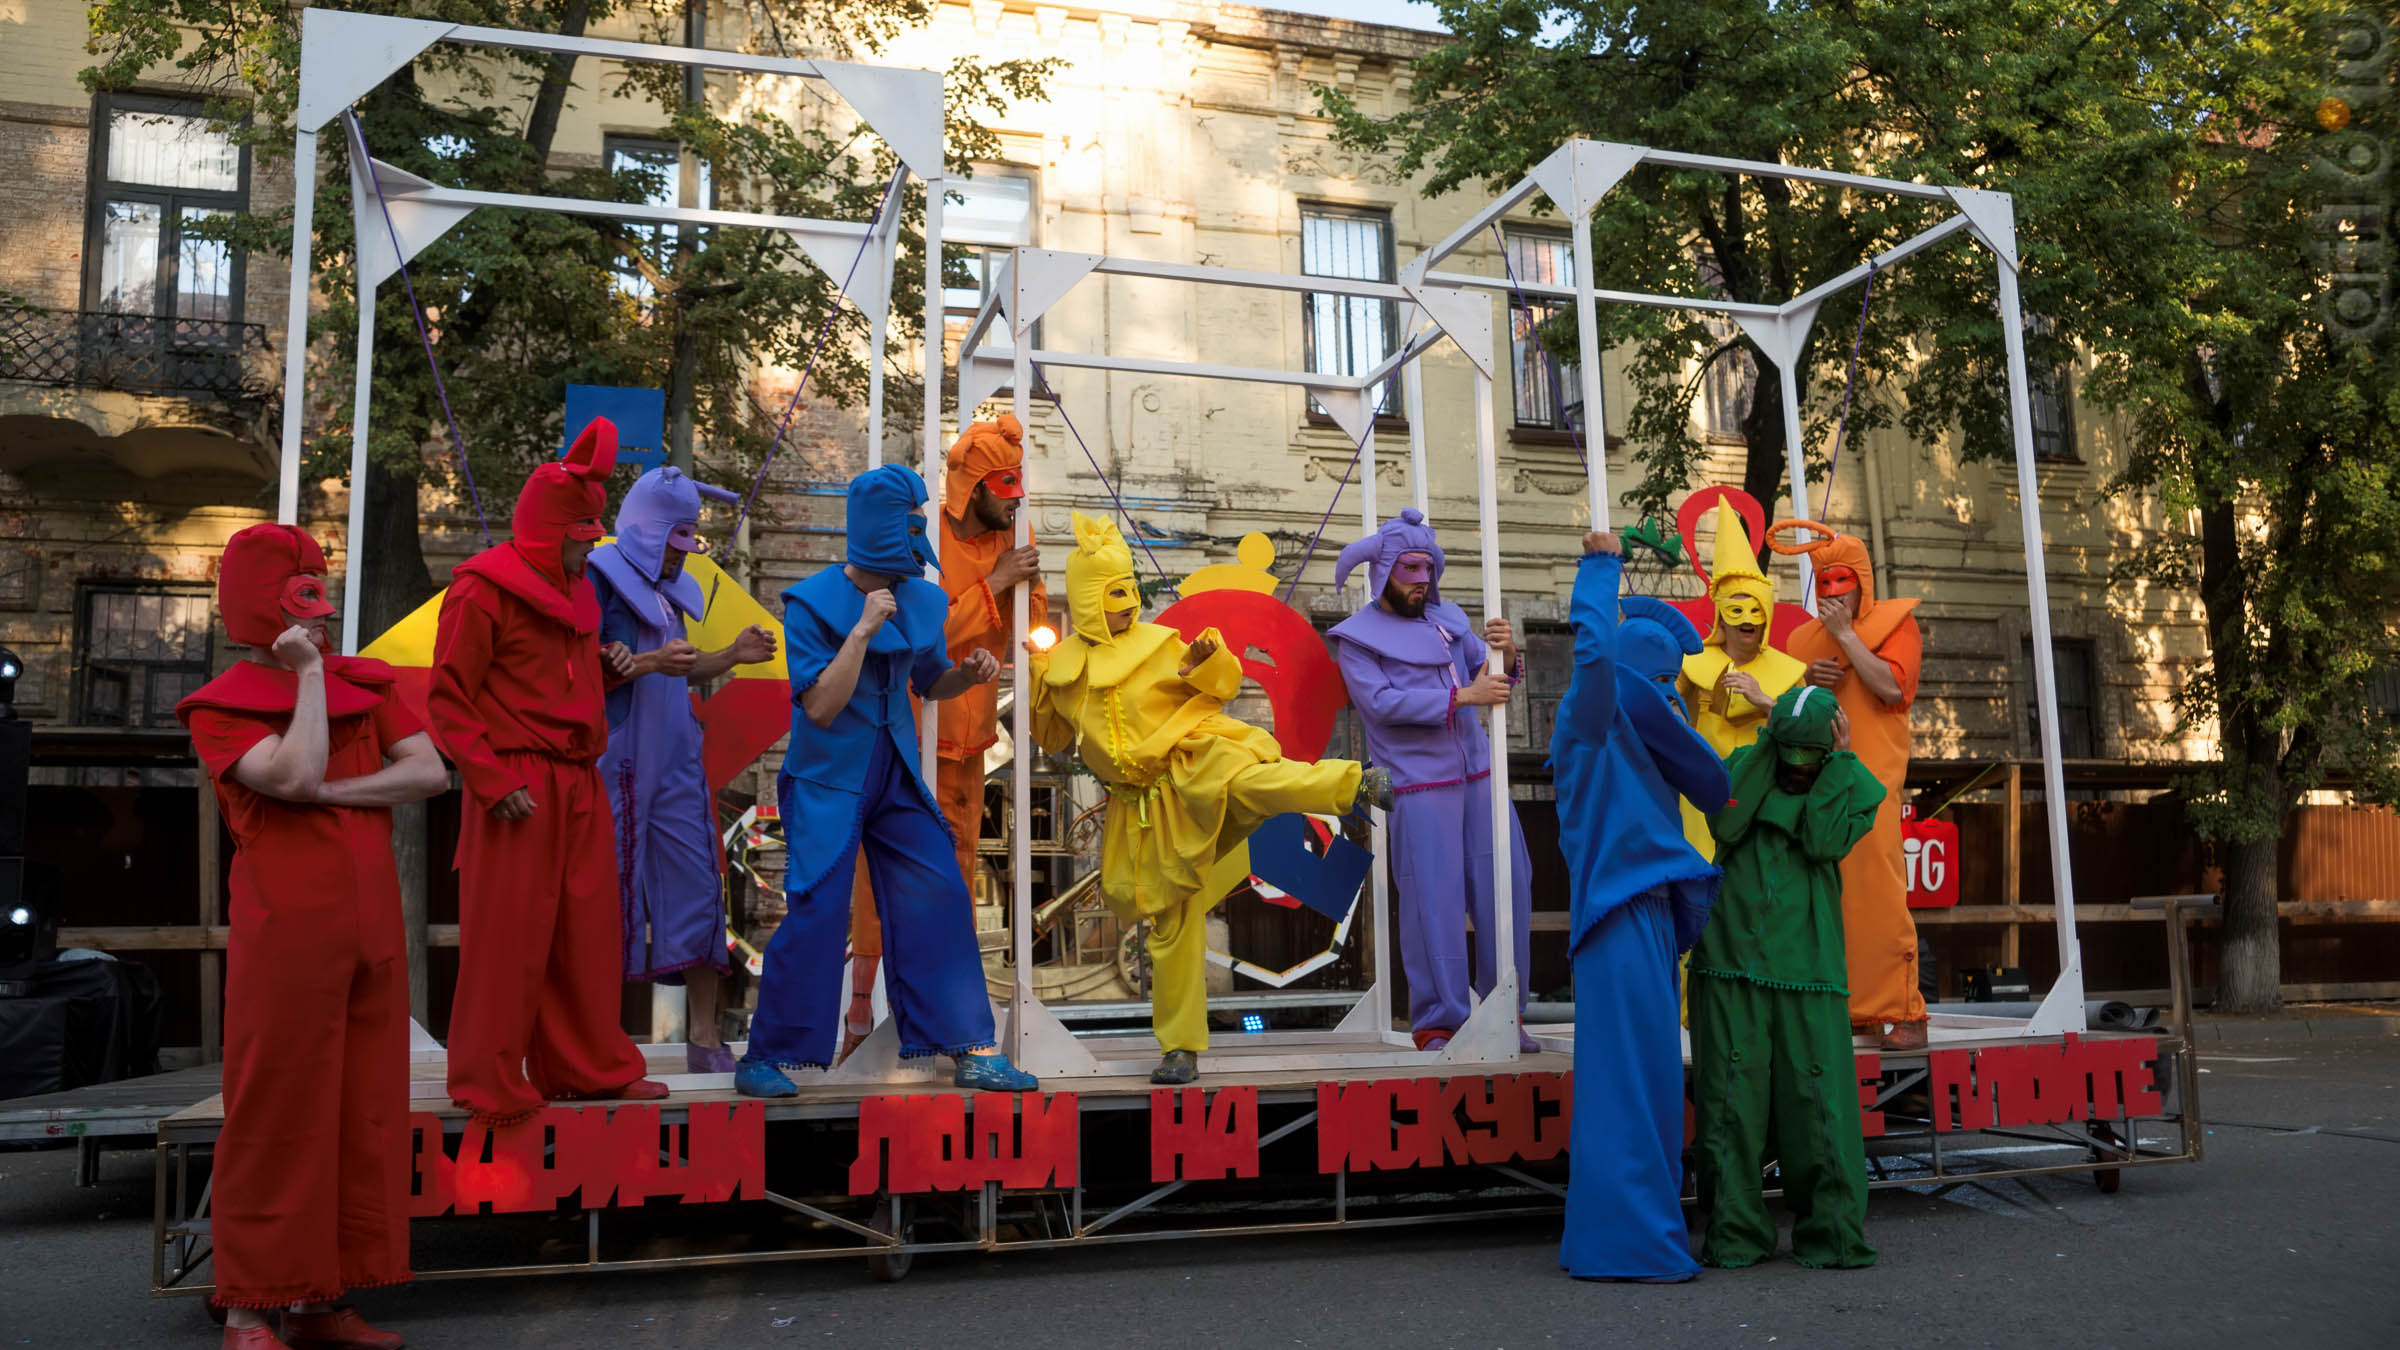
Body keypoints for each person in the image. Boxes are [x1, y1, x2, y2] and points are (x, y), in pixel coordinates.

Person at [177, 524, 449, 1349]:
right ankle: (253, 1305)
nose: (324, 622)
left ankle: (322, 1298)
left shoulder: (365, 683)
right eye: (306, 607)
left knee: (360, 1114)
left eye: (323, 605)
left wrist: (329, 788)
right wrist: (305, 679)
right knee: (276, 1113)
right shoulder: (221, 706)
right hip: (288, 936)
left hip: (371, 932)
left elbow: (430, 772)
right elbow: (289, 776)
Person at [1029, 512, 1390, 1084]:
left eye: (1129, 590)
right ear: (1090, 601)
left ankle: (1354, 783)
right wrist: (1038, 680)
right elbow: (1049, 738)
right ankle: (1180, 1048)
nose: (1129, 603)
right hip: (1140, 810)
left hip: (1191, 758)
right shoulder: (1065, 668)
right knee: (1169, 924)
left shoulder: (1161, 643)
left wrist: (1205, 662)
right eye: (1115, 594)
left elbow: (1221, 687)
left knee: (1253, 782)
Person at [737, 465, 1038, 1097]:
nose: (919, 545)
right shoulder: (811, 603)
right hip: (827, 779)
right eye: (909, 531)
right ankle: (767, 1055)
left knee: (941, 894)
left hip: (894, 771)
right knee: (817, 909)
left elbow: (930, 681)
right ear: (880, 533)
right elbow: (819, 707)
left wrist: (971, 673)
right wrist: (863, 630)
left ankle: (970, 1046)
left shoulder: (922, 599)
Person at [429, 419, 666, 1125]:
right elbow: (447, 696)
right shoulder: (480, 591)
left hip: (577, 778)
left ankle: (589, 1069)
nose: (592, 546)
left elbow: (554, 682)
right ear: (547, 531)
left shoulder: (578, 591)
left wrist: (609, 670)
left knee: (587, 932)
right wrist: (491, 780)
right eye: (582, 534)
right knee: (507, 937)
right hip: (517, 781)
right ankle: (487, 1080)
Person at [1552, 530, 1730, 1283]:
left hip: (1647, 914)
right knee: (1626, 1081)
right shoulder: (1589, 723)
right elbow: (1594, 659)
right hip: (1615, 916)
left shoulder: (1642, 738)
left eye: (1673, 687)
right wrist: (1599, 568)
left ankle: (1637, 1234)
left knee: (1653, 1079)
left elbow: (1716, 784)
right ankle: (1626, 1243)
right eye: (1656, 683)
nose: (1667, 698)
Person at [843, 415, 1047, 1058]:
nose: (1015, 500)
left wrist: (1022, 587)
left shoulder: (1015, 531)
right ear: (972, 487)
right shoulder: (922, 537)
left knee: (955, 877)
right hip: (908, 727)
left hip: (971, 735)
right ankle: (860, 1019)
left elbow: (1028, 628)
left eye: (1019, 489)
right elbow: (918, 635)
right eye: (1005, 487)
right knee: (881, 875)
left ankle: (946, 1024)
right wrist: (998, 584)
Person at [589, 466, 775, 1075]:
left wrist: (731, 656)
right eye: (677, 538)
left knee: (698, 891)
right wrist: (639, 661)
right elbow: (576, 673)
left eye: (689, 539)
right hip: (618, 759)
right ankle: (595, 1038)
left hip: (676, 765)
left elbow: (680, 669)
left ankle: (703, 1038)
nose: (684, 551)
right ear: (649, 531)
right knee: (606, 895)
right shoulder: (598, 580)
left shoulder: (671, 594)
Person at [1327, 507, 1535, 1051]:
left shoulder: (1451, 623)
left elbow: (1489, 676)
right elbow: (1380, 703)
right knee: (1433, 903)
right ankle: (1440, 1021)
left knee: (1507, 888)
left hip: (1480, 776)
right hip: (1418, 785)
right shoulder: (1358, 639)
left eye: (1426, 567)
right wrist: (1463, 696)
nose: (1421, 579)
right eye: (1408, 568)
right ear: (1383, 571)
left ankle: (1505, 1013)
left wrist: (1506, 651)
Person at [1690, 685, 1883, 1270]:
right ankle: (1735, 1235)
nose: (1799, 769)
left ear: (1831, 746)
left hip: (1809, 970)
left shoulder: (1850, 781)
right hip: (1729, 964)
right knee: (1729, 1104)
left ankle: (1834, 1236)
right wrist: (1768, 741)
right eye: (1790, 754)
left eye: (1811, 757)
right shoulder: (1745, 766)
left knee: (1819, 1104)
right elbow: (1726, 825)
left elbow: (1824, 840)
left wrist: (1840, 761)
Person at [1770, 520, 1927, 1051]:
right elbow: (1788, 710)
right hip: (1817, 783)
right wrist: (1806, 681)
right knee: (1825, 897)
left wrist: (1845, 639)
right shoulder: (1799, 641)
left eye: (1843, 580)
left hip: (1872, 783)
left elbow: (1891, 687)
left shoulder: (1897, 624)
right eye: (1825, 581)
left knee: (1878, 892)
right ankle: (1849, 1007)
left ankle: (1904, 1008)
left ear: (1862, 580)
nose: (1834, 592)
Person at [1675, 496, 1807, 860]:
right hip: (1702, 795)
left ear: (1766, 617)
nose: (1747, 618)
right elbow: (1664, 714)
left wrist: (1765, 700)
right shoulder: (1692, 663)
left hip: (1762, 796)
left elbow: (1805, 736)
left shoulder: (1788, 671)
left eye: (1755, 609)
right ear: (1721, 615)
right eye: (1736, 609)